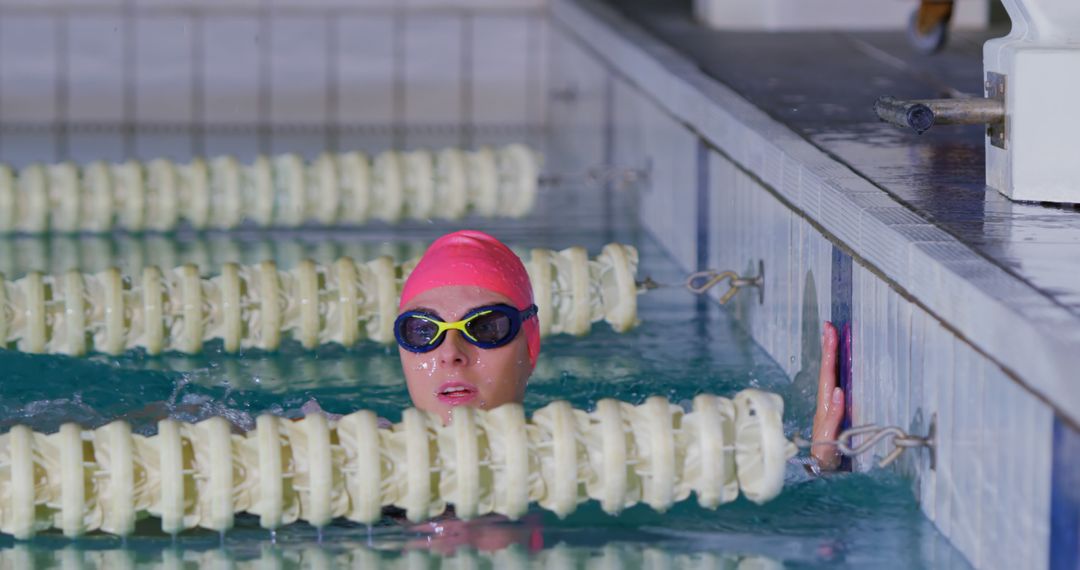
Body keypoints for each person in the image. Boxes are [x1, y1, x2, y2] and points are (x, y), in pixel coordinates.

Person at [394, 229, 846, 470]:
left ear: (530, 345)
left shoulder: (602, 455)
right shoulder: (332, 448)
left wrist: (816, 461)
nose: (450, 352)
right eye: (421, 331)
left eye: (485, 327)